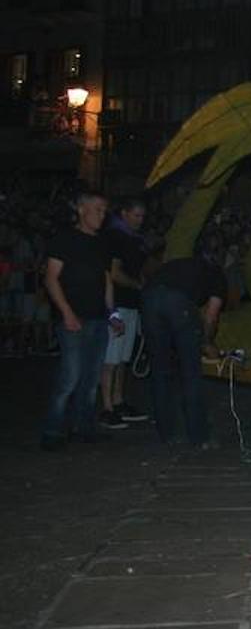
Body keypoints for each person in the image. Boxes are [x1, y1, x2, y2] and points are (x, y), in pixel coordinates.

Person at [40, 190, 123, 451]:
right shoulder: (64, 239)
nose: (102, 215)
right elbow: (50, 278)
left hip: (98, 318)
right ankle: (52, 430)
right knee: (70, 377)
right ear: (81, 209)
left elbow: (106, 280)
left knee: (90, 378)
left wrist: (113, 313)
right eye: (97, 209)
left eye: (104, 210)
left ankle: (83, 427)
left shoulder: (102, 243)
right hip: (74, 318)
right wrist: (66, 312)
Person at [141, 249, 226, 447]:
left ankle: (166, 434)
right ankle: (199, 436)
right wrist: (206, 343)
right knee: (191, 372)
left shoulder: (182, 263)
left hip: (149, 298)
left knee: (160, 372)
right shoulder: (217, 276)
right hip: (177, 302)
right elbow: (211, 315)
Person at [99, 197, 150, 428]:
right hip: (117, 303)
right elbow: (114, 273)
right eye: (136, 215)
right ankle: (107, 407)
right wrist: (137, 285)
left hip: (131, 304)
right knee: (110, 359)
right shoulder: (115, 237)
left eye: (142, 216)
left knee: (123, 359)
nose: (140, 220)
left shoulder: (134, 240)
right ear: (124, 213)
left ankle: (118, 401)